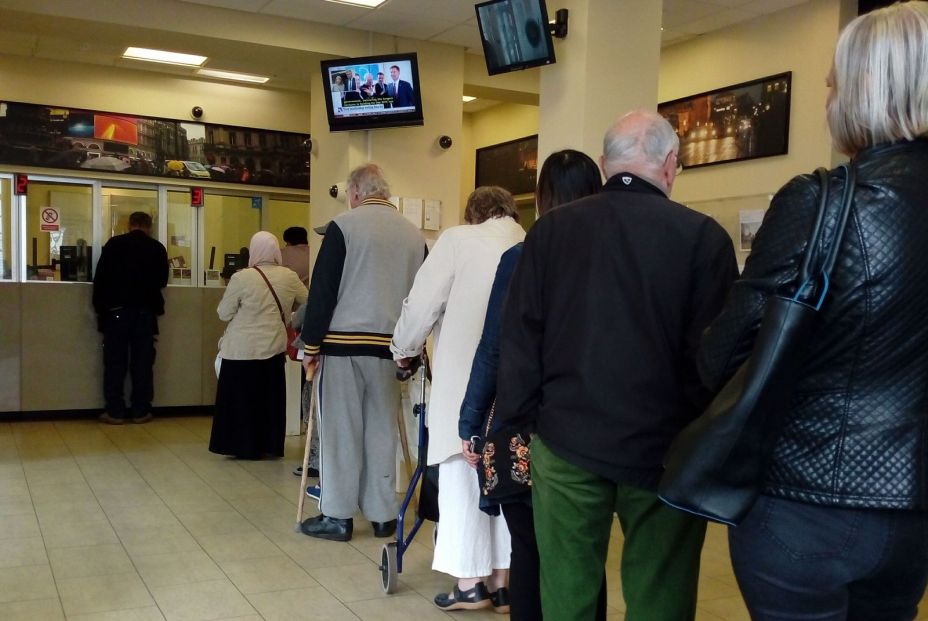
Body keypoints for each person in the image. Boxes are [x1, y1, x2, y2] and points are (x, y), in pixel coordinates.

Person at [697, 4, 928, 619]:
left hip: (804, 501)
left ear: (860, 90)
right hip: (913, 513)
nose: (826, 93)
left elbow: (723, 356)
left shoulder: (818, 201)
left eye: (831, 81)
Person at [495, 110, 739, 621]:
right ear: (671, 164)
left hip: (564, 441)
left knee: (567, 592)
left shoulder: (550, 231)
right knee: (660, 594)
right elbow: (714, 356)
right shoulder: (703, 238)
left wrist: (522, 422)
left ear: (606, 164)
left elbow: (520, 337)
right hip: (664, 450)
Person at [459, 150, 604, 620]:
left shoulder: (522, 257)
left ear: (541, 199)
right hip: (592, 429)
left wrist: (470, 421)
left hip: (526, 426)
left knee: (530, 550)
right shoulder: (612, 257)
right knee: (584, 556)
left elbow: (494, 347)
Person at [392, 186, 525, 612]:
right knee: (508, 472)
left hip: (465, 380)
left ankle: (470, 583)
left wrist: (403, 350)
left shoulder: (456, 239)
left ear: (473, 215)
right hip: (519, 384)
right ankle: (505, 582)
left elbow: (421, 307)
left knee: (461, 472)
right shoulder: (530, 241)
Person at [299, 163, 426, 542]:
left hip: (342, 348)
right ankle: (383, 514)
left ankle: (337, 515)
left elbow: (322, 291)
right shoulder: (413, 235)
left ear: (355, 192)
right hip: (389, 350)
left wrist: (310, 346)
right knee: (381, 431)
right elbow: (419, 299)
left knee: (341, 432)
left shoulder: (344, 226)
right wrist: (413, 352)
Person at [209, 231, 307, 459]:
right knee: (268, 400)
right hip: (272, 348)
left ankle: (240, 446)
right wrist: (290, 319)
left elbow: (224, 313)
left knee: (240, 400)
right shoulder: (289, 277)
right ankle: (268, 445)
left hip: (240, 350)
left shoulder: (241, 277)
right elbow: (309, 302)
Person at [93, 211, 169, 425]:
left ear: (129, 224)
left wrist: (101, 312)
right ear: (149, 226)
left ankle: (115, 411)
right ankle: (140, 410)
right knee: (142, 364)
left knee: (115, 363)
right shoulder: (157, 248)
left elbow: (100, 280)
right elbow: (162, 280)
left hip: (116, 313)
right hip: (145, 314)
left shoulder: (114, 244)